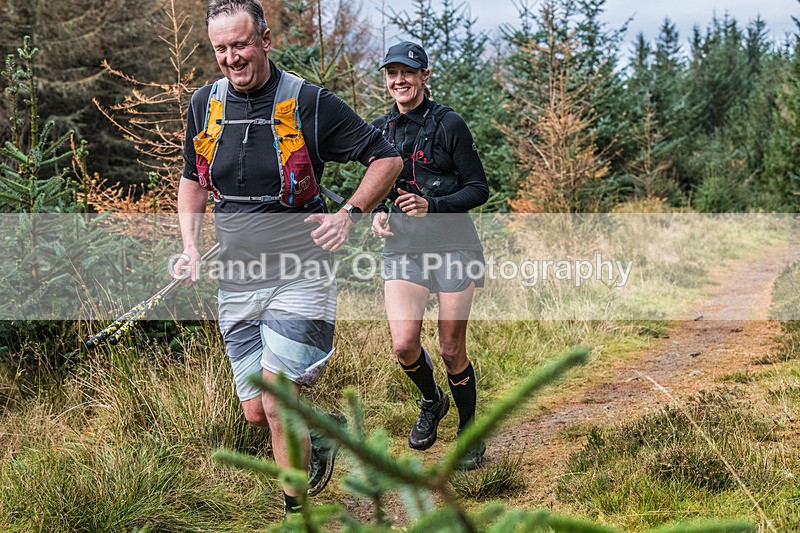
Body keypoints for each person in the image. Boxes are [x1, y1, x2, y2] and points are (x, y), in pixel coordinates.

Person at [175, 0, 402, 516]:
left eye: (241, 44)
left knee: (276, 403)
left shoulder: (307, 102)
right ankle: (318, 435)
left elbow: (386, 156)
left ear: (266, 39)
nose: (232, 58)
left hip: (301, 275)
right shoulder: (203, 105)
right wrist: (190, 247)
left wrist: (349, 213)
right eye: (221, 49)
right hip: (237, 280)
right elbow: (192, 179)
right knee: (257, 412)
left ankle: (294, 515)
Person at [370, 42, 490, 470]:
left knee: (451, 347)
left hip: (455, 245)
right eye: (391, 73)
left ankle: (470, 431)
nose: (399, 80)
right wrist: (379, 215)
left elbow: (479, 188)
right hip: (403, 247)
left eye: (407, 72)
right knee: (404, 344)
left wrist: (432, 206)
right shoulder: (379, 130)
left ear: (424, 76)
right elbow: (380, 187)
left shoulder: (449, 124)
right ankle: (431, 399)